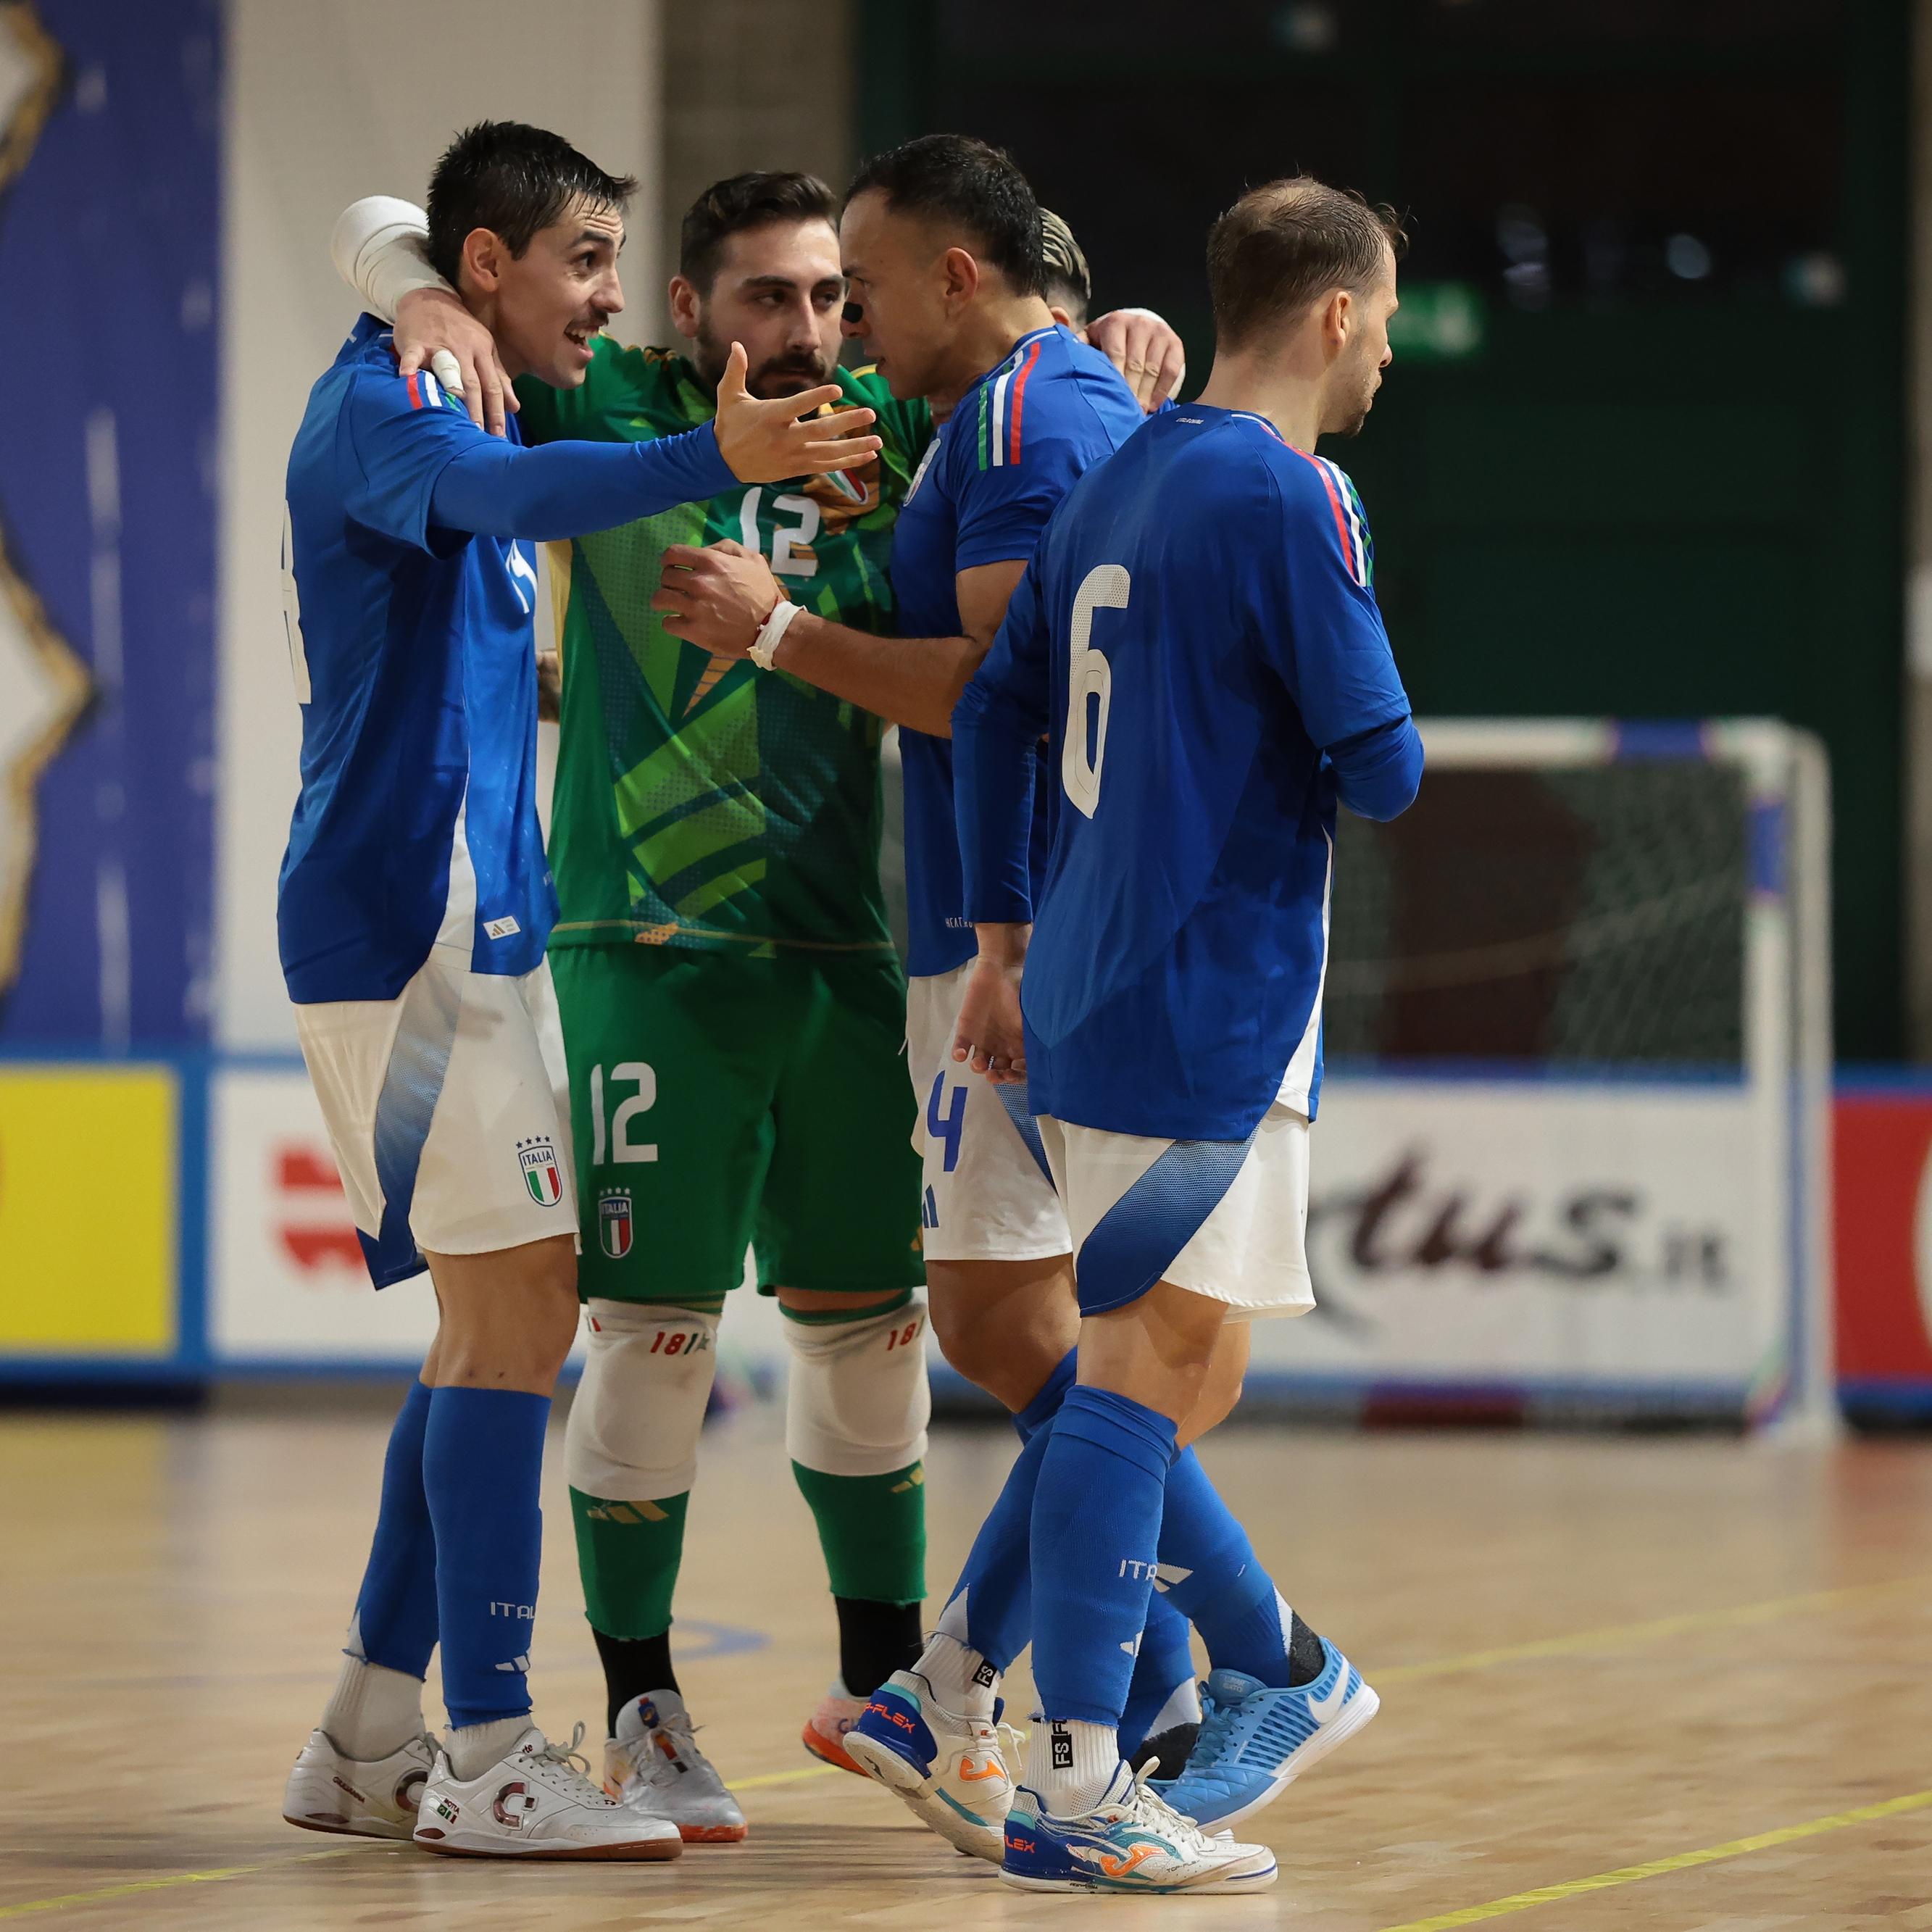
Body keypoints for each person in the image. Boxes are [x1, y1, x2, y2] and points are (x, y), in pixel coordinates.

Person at [328, 167, 1183, 1836]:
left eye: (830, 297)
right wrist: (408, 283)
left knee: (875, 1344)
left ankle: (893, 1694)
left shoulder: (898, 428)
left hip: (844, 962)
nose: (808, 329)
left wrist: (1122, 322)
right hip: (645, 958)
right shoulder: (616, 406)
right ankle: (641, 1711)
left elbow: (1026, 385)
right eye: (768, 298)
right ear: (685, 311)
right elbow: (415, 246)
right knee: (649, 1344)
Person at [275, 121, 878, 1861]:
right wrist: (707, 452)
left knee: (498, 1322)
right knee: (520, 1313)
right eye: (586, 263)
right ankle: (484, 1749)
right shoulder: (392, 404)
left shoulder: (456, 367)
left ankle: (368, 1733)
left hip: (483, 927)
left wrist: (401, 268)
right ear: (488, 269)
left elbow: (379, 222)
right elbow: (510, 502)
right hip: (408, 924)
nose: (607, 300)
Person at [657, 133, 1220, 1854]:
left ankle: (1196, 1654)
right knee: (1003, 1325)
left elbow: (998, 690)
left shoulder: (1030, 416)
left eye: (867, 289)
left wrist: (777, 633)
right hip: (996, 937)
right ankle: (1132, 1660)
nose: (847, 325)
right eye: (804, 295)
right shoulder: (988, 416)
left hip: (1035, 943)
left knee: (1130, 1349)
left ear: (958, 278)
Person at [941, 175, 1420, 1894]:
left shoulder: (1117, 469)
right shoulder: (1286, 492)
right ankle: (1075, 1774)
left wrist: (1004, 935)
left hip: (1081, 983)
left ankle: (978, 1690)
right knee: (1144, 1382)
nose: (1384, 357)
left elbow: (987, 710)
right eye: (1385, 322)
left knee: (1158, 1375)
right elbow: (1383, 764)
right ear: (1336, 313)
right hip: (1204, 988)